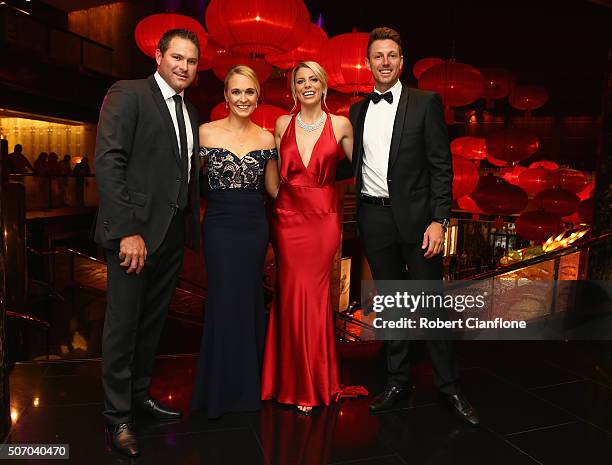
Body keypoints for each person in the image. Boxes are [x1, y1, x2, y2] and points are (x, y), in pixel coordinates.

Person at [346, 27, 479, 425]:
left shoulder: (425, 103)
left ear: (401, 62)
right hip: (373, 217)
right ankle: (397, 381)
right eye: (377, 56)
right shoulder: (356, 111)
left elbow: (442, 166)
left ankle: (449, 387)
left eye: (391, 55)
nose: (384, 62)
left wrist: (440, 220)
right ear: (367, 63)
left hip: (421, 222)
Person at [93, 28, 201, 457]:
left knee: (153, 322)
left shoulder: (189, 112)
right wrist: (126, 230)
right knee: (122, 327)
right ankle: (117, 416)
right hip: (133, 235)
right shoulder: (129, 93)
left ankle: (139, 395)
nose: (184, 67)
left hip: (172, 233)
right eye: (176, 57)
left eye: (191, 62)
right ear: (158, 56)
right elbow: (109, 160)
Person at [261, 61, 356, 414]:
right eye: (300, 81)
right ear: (294, 89)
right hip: (287, 218)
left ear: (324, 84)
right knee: (289, 292)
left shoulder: (341, 125)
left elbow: (363, 166)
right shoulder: (282, 123)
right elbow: (272, 175)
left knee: (312, 294)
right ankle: (284, 380)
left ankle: (311, 383)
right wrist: (281, 200)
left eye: (313, 79)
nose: (307, 85)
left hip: (323, 219)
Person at [190, 65, 278, 419]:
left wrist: (315, 179)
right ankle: (219, 389)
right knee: (224, 302)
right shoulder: (204, 134)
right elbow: (186, 182)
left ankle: (249, 387)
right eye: (236, 92)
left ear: (258, 97)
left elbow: (274, 189)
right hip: (219, 225)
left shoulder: (267, 139)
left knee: (249, 300)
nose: (243, 98)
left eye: (249, 92)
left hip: (254, 226)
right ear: (225, 96)